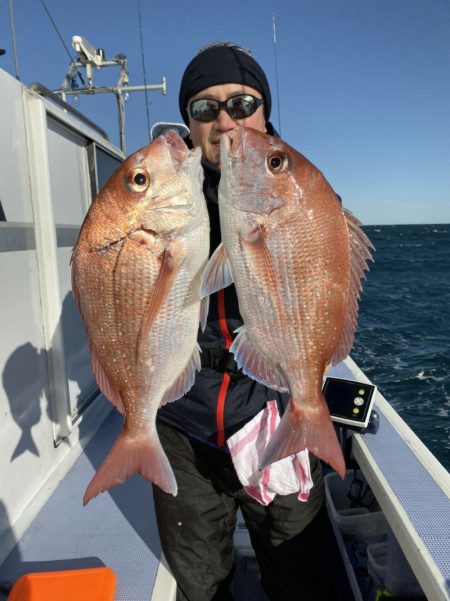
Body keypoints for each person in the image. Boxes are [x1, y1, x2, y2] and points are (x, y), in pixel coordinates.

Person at [153, 42, 339, 601]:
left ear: (264, 111)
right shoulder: (166, 189)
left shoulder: (297, 187)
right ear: (188, 120)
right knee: (201, 585)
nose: (225, 120)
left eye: (242, 102)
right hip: (183, 422)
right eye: (204, 109)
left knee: (298, 573)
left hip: (271, 407)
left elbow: (328, 274)